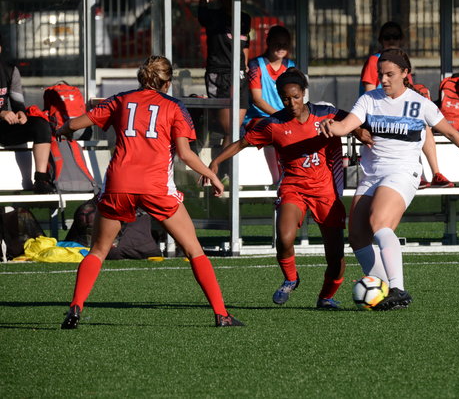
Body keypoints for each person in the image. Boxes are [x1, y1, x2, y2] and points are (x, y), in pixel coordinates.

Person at [57, 56, 243, 329]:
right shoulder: (174, 107)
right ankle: (221, 314)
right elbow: (185, 154)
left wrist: (62, 129)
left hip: (119, 184)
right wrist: (212, 174)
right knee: (194, 250)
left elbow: (75, 124)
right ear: (168, 82)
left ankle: (75, 307)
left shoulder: (120, 100)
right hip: (155, 187)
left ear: (141, 78)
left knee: (98, 250)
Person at [320, 48, 459, 310]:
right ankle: (383, 290)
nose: (383, 79)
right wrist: (331, 126)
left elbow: (451, 133)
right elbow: (345, 126)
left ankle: (398, 288)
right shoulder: (369, 99)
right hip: (372, 174)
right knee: (357, 235)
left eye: (390, 74)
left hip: (402, 172)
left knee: (379, 223)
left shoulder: (420, 104)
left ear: (405, 73)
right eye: (380, 74)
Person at [205, 68, 350, 309]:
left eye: (296, 97)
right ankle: (291, 279)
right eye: (285, 98)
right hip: (293, 188)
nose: (291, 103)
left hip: (325, 191)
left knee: (335, 255)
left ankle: (326, 297)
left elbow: (356, 120)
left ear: (304, 93)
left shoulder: (326, 114)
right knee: (284, 238)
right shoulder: (274, 124)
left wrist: (363, 132)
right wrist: (216, 162)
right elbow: (242, 143)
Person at [360, 21, 454, 189]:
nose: (391, 40)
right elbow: (369, 94)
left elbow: (409, 92)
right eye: (387, 37)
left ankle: (435, 173)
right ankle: (416, 174)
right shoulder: (375, 61)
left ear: (402, 40)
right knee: (414, 125)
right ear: (381, 40)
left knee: (422, 124)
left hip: (399, 112)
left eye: (395, 37)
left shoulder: (400, 64)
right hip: (379, 114)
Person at [197, 0, 251, 149]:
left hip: (239, 75)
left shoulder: (245, 19)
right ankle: (204, 122)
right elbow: (201, 14)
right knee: (229, 128)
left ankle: (225, 166)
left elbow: (245, 44)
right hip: (219, 74)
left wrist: (245, 64)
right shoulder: (214, 17)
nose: (231, 0)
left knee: (234, 130)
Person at [0, 34, 55, 194]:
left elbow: (18, 102)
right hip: (2, 117)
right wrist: (1, 113)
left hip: (4, 128)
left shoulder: (10, 70)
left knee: (41, 125)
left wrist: (21, 113)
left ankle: (41, 180)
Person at [243, 25, 296, 184]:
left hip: (283, 118)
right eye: (277, 43)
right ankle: (278, 180)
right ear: (268, 42)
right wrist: (279, 116)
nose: (280, 48)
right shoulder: (256, 65)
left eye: (284, 44)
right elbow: (257, 99)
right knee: (274, 130)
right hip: (258, 118)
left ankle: (294, 176)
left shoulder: (291, 66)